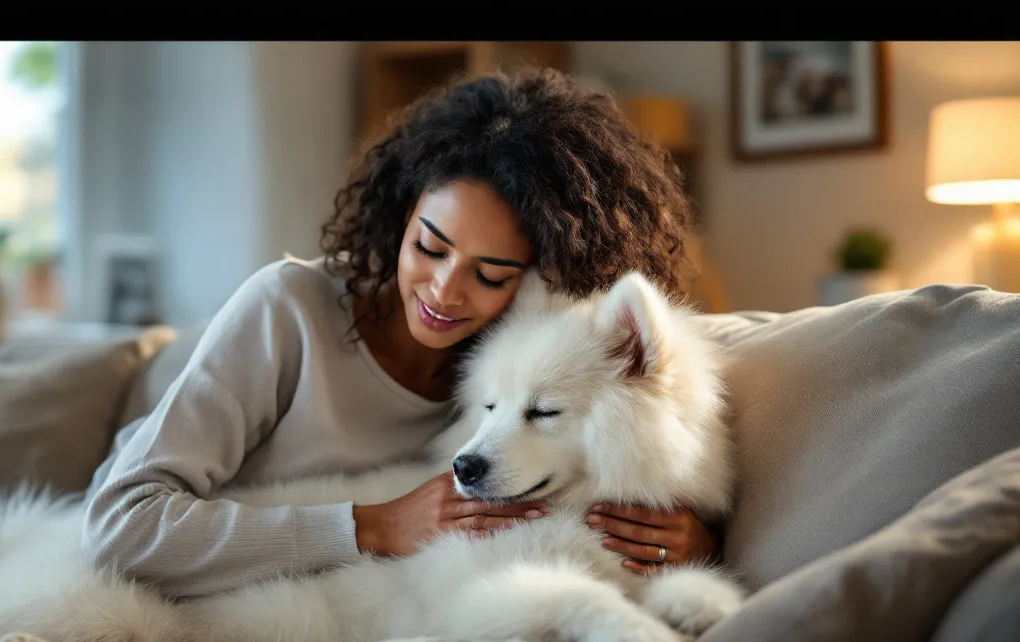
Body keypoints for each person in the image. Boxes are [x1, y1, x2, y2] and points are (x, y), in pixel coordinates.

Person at [83, 66, 720, 600]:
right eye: (429, 246)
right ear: (401, 211)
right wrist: (373, 526)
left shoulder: (515, 368)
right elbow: (122, 523)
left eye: (490, 274)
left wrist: (695, 541)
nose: (444, 291)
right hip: (147, 558)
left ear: (540, 280)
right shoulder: (288, 310)